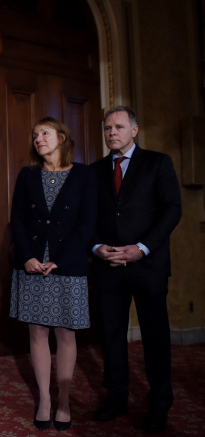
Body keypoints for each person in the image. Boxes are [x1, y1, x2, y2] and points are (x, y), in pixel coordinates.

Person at [91, 106, 181, 433]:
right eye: (107, 128)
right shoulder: (95, 171)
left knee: (155, 339)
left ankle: (159, 404)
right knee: (111, 338)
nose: (111, 132)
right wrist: (96, 247)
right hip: (108, 268)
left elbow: (172, 210)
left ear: (134, 130)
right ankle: (116, 397)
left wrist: (141, 249)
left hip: (148, 267)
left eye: (118, 126)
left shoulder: (158, 163)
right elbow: (89, 218)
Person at [9, 117, 97, 431]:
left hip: (67, 266)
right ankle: (45, 399)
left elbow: (87, 224)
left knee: (66, 334)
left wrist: (62, 259)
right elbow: (16, 220)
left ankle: (64, 400)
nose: (38, 139)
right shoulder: (27, 175)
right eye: (34, 135)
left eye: (44, 133)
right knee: (37, 333)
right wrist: (27, 257)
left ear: (62, 137)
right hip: (32, 265)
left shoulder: (84, 175)